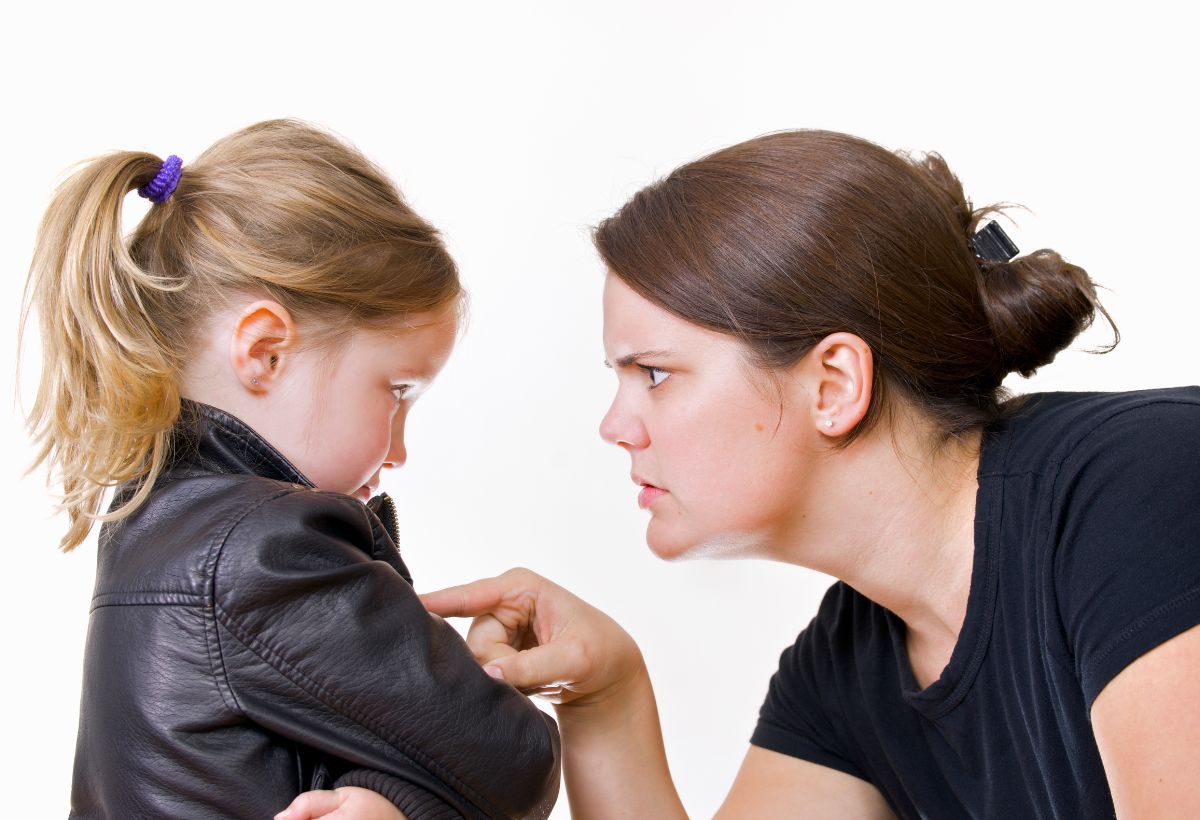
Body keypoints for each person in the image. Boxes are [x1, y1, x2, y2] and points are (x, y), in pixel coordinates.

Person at [408, 131, 1200, 818]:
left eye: (654, 373)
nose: (615, 427)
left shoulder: (1142, 487)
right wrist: (606, 697)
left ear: (834, 386)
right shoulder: (851, 660)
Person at [23, 119, 559, 819]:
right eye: (398, 392)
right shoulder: (267, 549)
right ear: (265, 350)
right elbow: (515, 763)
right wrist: (481, 684)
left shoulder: (156, 524)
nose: (398, 450)